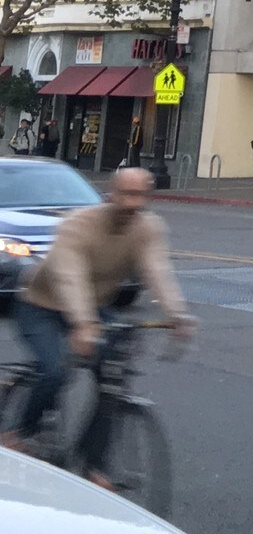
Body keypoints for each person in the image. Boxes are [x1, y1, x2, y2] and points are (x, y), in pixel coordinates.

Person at [2, 167, 196, 483]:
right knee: (55, 369)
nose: (133, 203)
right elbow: (70, 275)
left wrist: (178, 314)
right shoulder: (79, 224)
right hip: (41, 305)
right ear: (111, 195)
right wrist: (83, 324)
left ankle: (94, 467)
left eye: (140, 196)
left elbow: (156, 269)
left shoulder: (147, 228)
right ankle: (18, 433)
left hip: (91, 309)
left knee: (112, 383)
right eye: (126, 194)